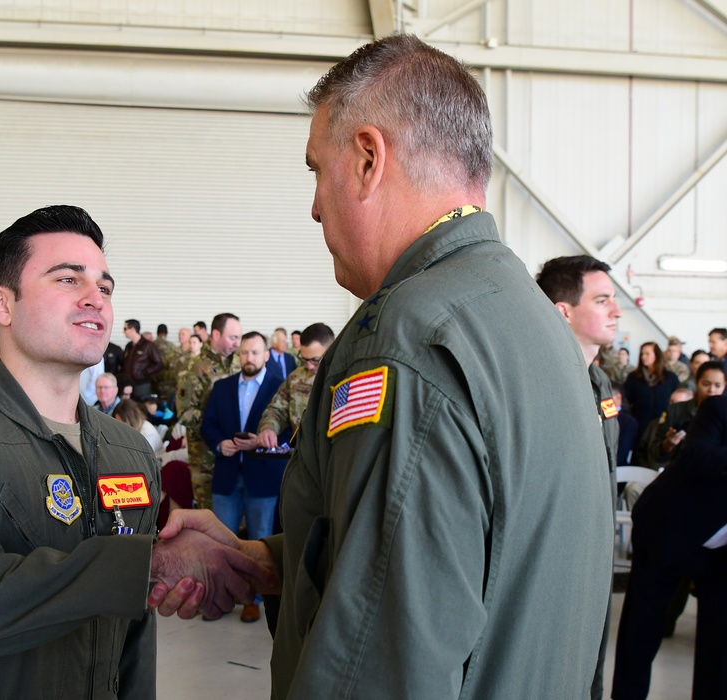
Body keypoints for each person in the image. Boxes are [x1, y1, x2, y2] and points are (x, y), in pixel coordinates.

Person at [151, 34, 612, 698]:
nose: (314, 205)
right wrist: (262, 560)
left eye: (317, 169)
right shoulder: (527, 317)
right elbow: (457, 554)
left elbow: (382, 651)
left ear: (368, 158)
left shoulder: (407, 337)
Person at [0, 205, 269, 699]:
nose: (96, 299)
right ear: (3, 305)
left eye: (105, 287)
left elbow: (133, 635)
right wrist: (141, 565)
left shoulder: (128, 450)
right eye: (68, 280)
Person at [535, 254, 621, 700]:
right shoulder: (536, 382)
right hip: (552, 562)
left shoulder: (601, 383)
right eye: (602, 300)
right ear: (563, 311)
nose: (617, 311)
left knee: (589, 674)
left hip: (595, 552)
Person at [612, 393, 727, 700]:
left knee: (719, 644)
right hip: (669, 529)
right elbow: (694, 456)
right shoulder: (719, 408)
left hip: (719, 548)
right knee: (643, 629)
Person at [200, 331, 287, 624]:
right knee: (222, 539)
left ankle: (254, 598)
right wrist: (218, 443)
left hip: (262, 477)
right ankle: (224, 595)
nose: (249, 358)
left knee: (260, 539)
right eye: (244, 353)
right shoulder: (222, 387)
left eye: (255, 352)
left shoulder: (280, 388)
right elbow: (207, 424)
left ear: (266, 355)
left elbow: (288, 430)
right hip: (226, 474)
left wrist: (262, 441)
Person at [176, 313, 242, 510]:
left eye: (239, 338)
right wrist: (216, 426)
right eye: (232, 337)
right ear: (215, 334)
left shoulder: (238, 364)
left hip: (237, 457)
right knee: (212, 520)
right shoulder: (194, 368)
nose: (237, 343)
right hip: (207, 460)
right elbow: (185, 413)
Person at [257, 322, 335, 450]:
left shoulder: (345, 378)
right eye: (304, 359)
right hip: (302, 456)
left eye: (315, 360)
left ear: (331, 351)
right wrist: (268, 428)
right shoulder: (295, 378)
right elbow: (277, 410)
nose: (309, 365)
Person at [624, 341, 680, 433]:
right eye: (642, 354)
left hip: (662, 425)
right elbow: (626, 400)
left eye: (647, 354)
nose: (643, 357)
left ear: (656, 355)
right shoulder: (634, 377)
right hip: (639, 425)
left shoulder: (670, 378)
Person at [122, 319, 162, 399]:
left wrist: (144, 372)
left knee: (141, 407)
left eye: (125, 329)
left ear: (132, 329)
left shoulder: (148, 345)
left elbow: (158, 363)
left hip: (142, 384)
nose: (123, 332)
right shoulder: (129, 346)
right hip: (129, 385)